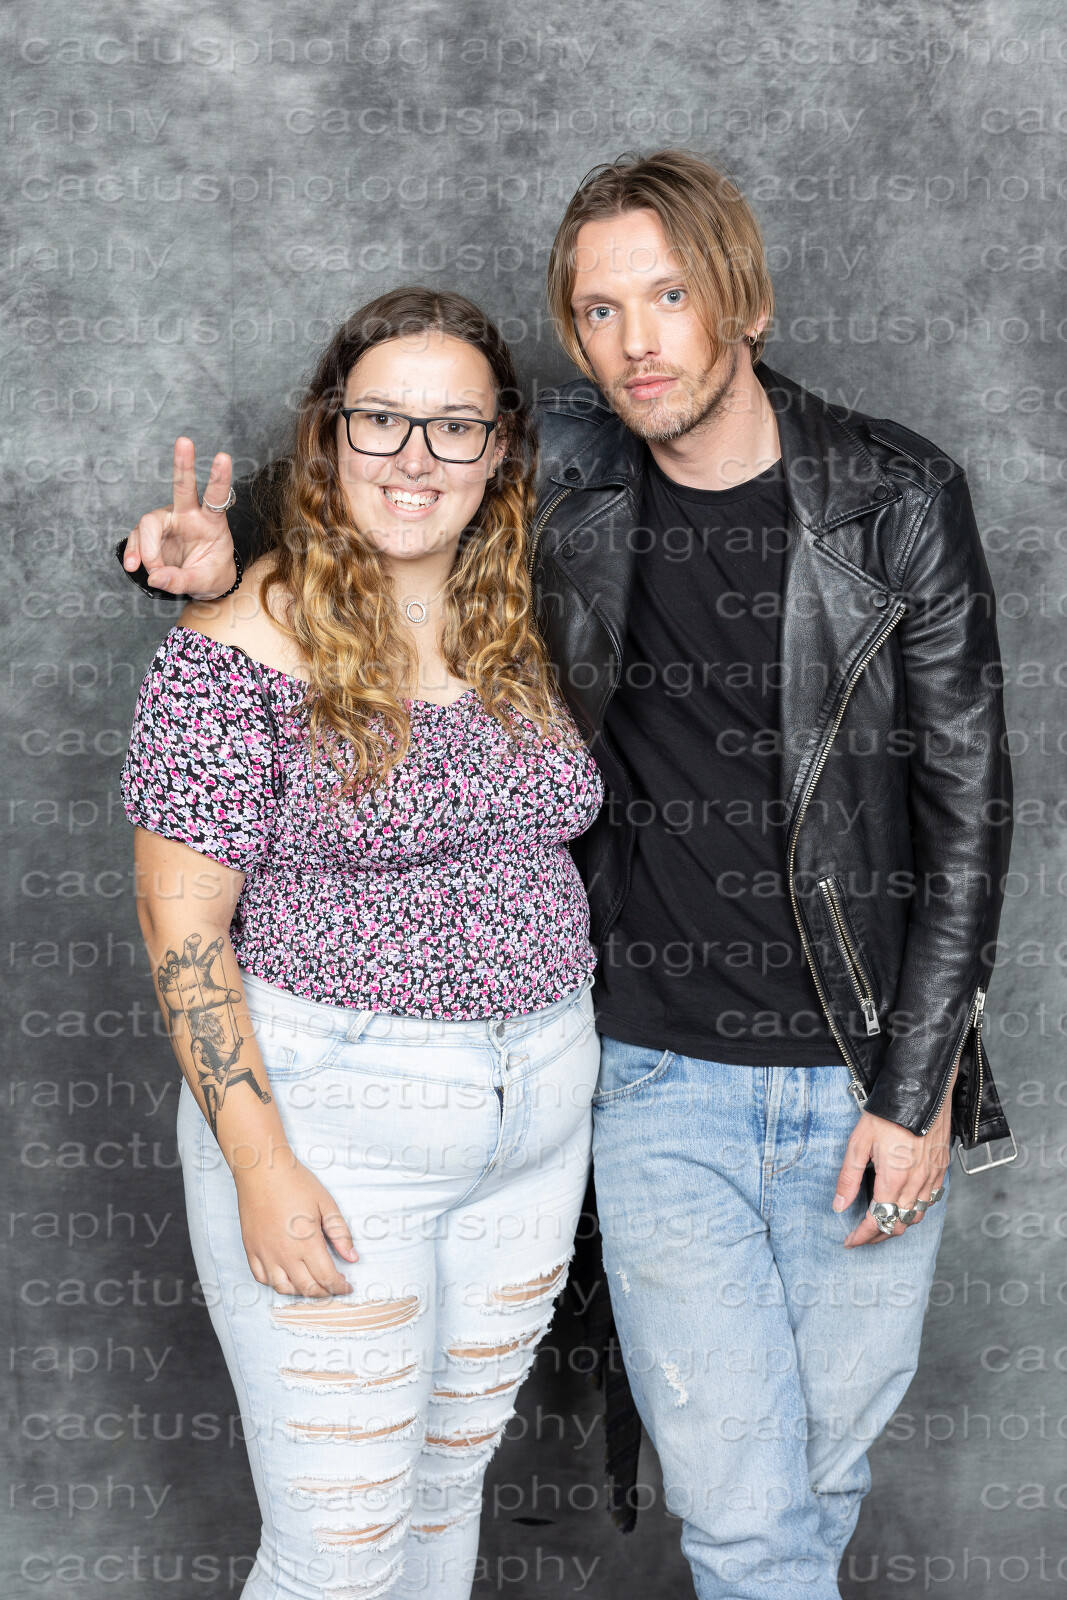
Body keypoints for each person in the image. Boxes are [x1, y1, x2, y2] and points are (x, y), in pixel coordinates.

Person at [119, 151, 1015, 1600]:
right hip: (640, 1079)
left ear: (748, 302)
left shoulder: (893, 497)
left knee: (794, 1491)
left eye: (670, 297)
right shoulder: (576, 474)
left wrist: (919, 1091)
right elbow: (389, 485)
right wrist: (217, 557)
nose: (636, 341)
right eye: (599, 311)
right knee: (732, 1526)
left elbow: (969, 815)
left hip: (836, 1076)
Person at [122, 288, 604, 1600]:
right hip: (336, 1132)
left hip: (534, 1128)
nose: (415, 457)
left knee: (440, 1505)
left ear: (500, 452)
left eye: (456, 427)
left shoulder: (512, 621)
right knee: (338, 1554)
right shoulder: (234, 646)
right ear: (329, 436)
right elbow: (181, 930)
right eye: (382, 419)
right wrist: (260, 1161)